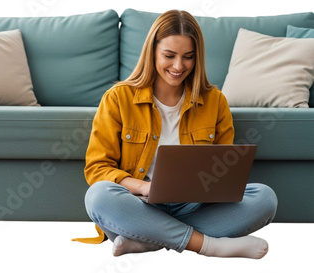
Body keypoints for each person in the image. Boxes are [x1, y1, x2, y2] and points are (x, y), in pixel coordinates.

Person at [72, 10, 278, 259]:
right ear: (152, 52)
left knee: (265, 198)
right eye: (169, 56)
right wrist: (145, 188)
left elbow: (225, 170)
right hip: (138, 203)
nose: (179, 66)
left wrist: (213, 186)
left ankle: (147, 239)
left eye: (188, 57)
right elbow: (97, 169)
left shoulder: (215, 101)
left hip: (194, 206)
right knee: (98, 196)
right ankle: (210, 246)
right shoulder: (118, 98)